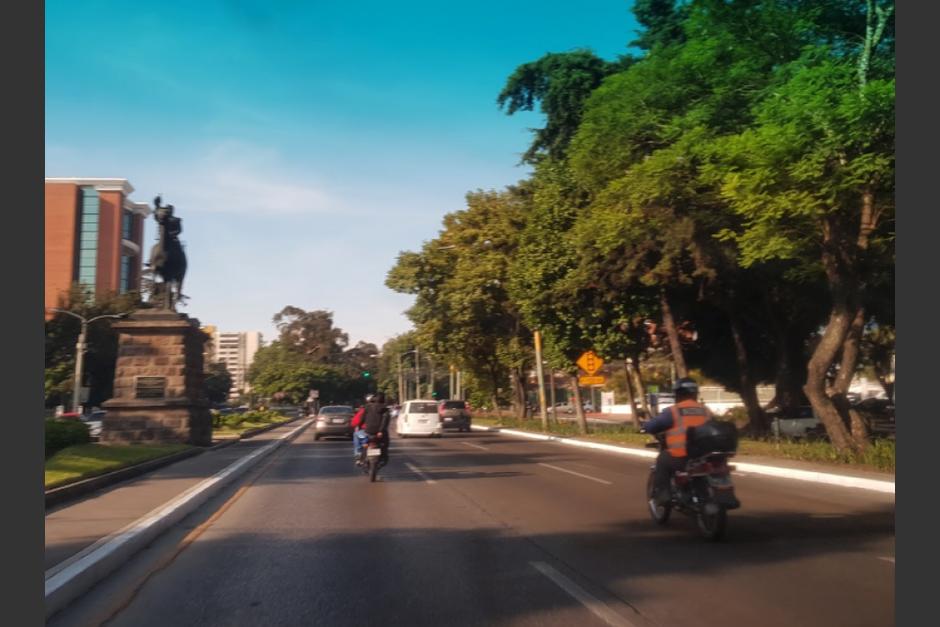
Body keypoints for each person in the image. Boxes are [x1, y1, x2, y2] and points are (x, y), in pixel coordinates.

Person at [641, 377, 712, 505]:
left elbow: (654, 425)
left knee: (662, 460)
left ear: (678, 393)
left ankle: (663, 495)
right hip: (705, 456)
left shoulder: (673, 411)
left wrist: (644, 427)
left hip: (683, 456)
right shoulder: (705, 410)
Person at [359, 391, 391, 466]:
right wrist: (380, 431)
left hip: (368, 431)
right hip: (380, 432)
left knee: (365, 444)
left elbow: (362, 418)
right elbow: (385, 421)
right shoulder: (385, 409)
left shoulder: (367, 407)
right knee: (385, 444)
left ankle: (362, 459)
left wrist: (359, 426)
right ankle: (383, 458)